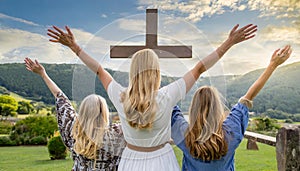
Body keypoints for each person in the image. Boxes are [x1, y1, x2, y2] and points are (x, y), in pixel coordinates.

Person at [47, 23, 257, 171]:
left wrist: (75, 48)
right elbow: (200, 67)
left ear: (132, 72)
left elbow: (100, 70)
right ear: (156, 73)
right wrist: (228, 43)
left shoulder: (121, 97)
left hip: (131, 160)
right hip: (162, 161)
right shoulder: (167, 95)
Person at [171, 45, 292, 171]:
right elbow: (248, 97)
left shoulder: (184, 135)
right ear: (217, 109)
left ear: (193, 110)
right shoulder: (230, 132)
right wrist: (273, 65)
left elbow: (166, 99)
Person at [24, 58, 126, 171]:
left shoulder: (74, 131)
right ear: (104, 112)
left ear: (83, 112)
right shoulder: (116, 133)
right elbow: (136, 121)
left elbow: (60, 96)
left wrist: (43, 74)